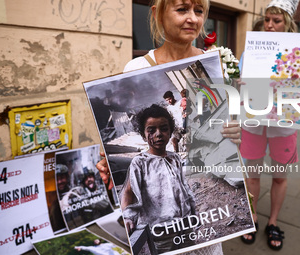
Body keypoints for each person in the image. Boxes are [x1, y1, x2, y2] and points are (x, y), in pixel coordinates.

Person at [97, 0, 242, 254]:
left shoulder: (214, 63)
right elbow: (131, 192)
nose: (194, 19)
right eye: (182, 9)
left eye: (199, 11)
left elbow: (227, 118)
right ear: (159, 14)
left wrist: (236, 132)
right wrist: (106, 164)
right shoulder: (136, 68)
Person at [239, 0, 300, 251]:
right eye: (267, 20)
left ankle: (272, 222)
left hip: (284, 124)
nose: (270, 25)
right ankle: (252, 217)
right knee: (252, 175)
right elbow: (240, 82)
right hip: (253, 121)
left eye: (277, 20)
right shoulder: (252, 50)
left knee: (279, 177)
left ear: (287, 23)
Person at [120, 104, 196, 253]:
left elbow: (183, 187)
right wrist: (127, 217)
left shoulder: (175, 158)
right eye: (151, 130)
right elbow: (128, 192)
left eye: (164, 128)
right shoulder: (140, 162)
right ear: (143, 134)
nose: (158, 134)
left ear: (170, 131)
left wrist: (192, 213)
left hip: (184, 226)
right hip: (161, 231)